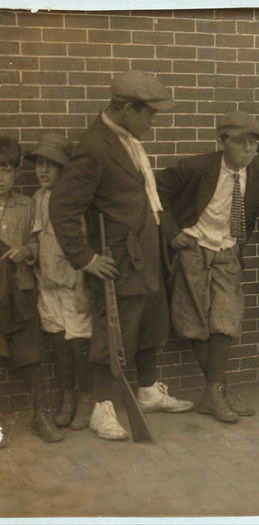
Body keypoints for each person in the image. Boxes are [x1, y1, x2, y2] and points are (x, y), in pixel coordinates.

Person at [50, 70, 193, 441]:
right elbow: (62, 208)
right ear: (126, 108)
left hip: (146, 253)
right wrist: (85, 258)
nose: (153, 121)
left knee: (150, 326)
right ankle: (103, 409)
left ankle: (147, 391)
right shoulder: (95, 146)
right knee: (114, 336)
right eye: (148, 113)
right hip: (119, 261)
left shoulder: (127, 139)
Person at [156, 112, 259, 423]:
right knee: (194, 320)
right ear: (222, 142)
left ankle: (214, 391)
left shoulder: (257, 170)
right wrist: (173, 233)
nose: (249, 151)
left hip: (227, 249)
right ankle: (217, 391)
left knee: (226, 318)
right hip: (194, 247)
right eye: (242, 144)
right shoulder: (196, 168)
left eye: (254, 145)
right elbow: (154, 192)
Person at [28, 133, 94, 430]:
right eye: (39, 164)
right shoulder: (39, 198)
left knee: (78, 342)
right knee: (58, 341)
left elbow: (82, 245)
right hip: (48, 284)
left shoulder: (71, 201)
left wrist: (81, 286)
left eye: (50, 165)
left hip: (70, 284)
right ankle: (67, 397)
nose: (43, 170)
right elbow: (38, 239)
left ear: (64, 169)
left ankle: (85, 399)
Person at [0, 136, 63, 444]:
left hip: (21, 290)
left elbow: (40, 243)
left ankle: (41, 415)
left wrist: (26, 251)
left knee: (31, 353)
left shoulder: (27, 205)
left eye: (7, 170)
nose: (1, 177)